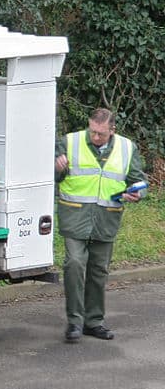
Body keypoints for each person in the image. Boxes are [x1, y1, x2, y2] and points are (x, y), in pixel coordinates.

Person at [55, 107, 148, 342]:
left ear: (112, 130)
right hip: (75, 216)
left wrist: (138, 193)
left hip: (107, 218)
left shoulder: (127, 148)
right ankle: (74, 323)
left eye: (101, 134)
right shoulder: (70, 142)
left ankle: (94, 322)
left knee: (98, 271)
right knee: (74, 264)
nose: (95, 137)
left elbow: (139, 180)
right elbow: (52, 174)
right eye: (93, 131)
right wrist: (57, 168)